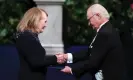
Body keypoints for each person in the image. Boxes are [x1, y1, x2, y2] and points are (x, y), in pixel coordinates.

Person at [57, 4, 127, 80]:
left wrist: (72, 69)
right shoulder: (107, 29)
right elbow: (90, 52)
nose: (89, 23)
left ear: (98, 15)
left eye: (89, 19)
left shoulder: (105, 33)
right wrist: (67, 56)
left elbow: (93, 62)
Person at [14, 7, 65, 80]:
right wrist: (55, 58)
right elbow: (37, 61)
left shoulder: (28, 36)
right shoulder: (27, 37)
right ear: (36, 20)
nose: (46, 25)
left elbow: (37, 59)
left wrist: (55, 59)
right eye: (45, 21)